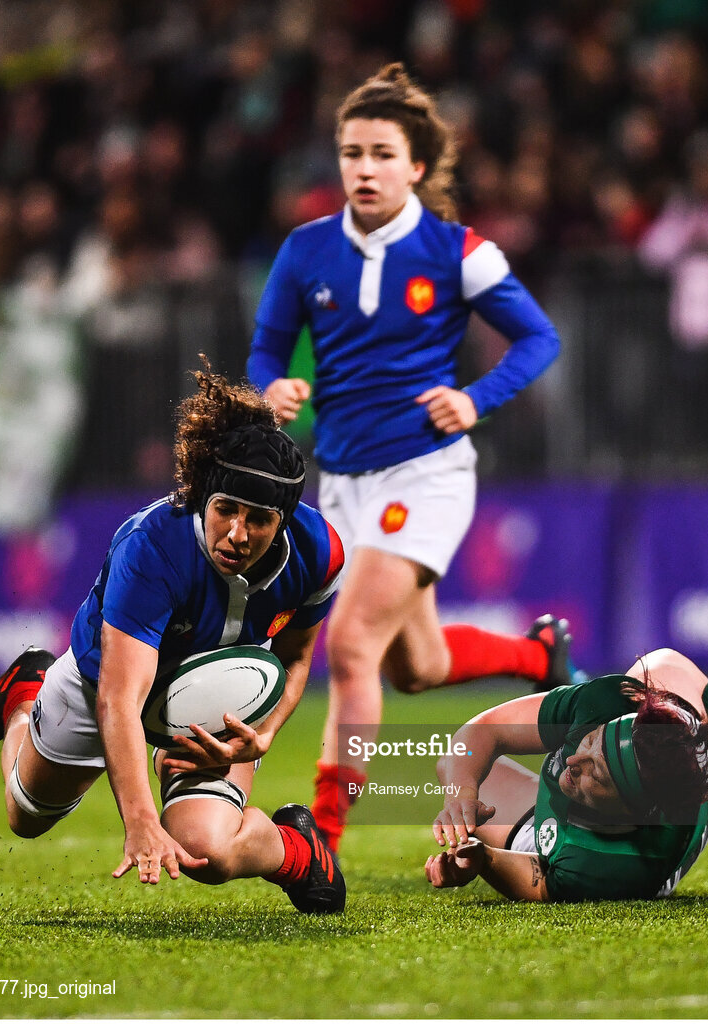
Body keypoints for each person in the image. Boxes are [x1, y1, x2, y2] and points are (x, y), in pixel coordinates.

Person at [247, 63, 568, 853]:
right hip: (340, 481)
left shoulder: (457, 251)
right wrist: (273, 387)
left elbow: (538, 337)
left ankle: (321, 844)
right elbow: (265, 348)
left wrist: (476, 399)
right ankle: (536, 656)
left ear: (416, 165)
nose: (363, 168)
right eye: (351, 153)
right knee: (415, 667)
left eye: (382, 154)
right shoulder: (304, 250)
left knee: (350, 644)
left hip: (424, 474)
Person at [0, 365, 346, 914]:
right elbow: (119, 700)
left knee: (205, 850)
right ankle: (25, 695)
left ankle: (303, 855)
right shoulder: (151, 547)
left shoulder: (319, 553)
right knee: (26, 816)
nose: (237, 533)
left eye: (258, 519)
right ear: (205, 496)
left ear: (284, 520)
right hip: (103, 682)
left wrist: (263, 735)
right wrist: (139, 820)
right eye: (225, 509)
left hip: (213, 689)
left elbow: (297, 657)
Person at [425, 647, 708, 901]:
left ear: (631, 814)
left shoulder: (615, 863)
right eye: (589, 742)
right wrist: (462, 794)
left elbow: (540, 882)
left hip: (588, 845)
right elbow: (484, 730)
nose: (572, 762)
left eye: (596, 774)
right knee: (665, 666)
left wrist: (484, 859)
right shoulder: (604, 705)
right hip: (588, 813)